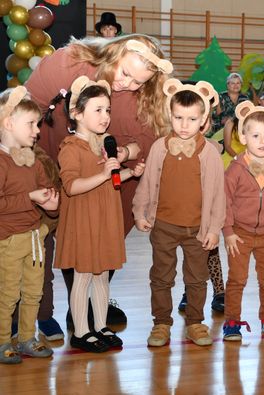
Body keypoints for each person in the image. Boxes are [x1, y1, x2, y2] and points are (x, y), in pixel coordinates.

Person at [25, 34, 173, 326]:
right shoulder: (69, 62)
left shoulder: (147, 99)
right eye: (125, 72)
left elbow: (148, 141)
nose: (126, 84)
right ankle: (42, 311)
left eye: (138, 82)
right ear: (116, 52)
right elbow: (28, 107)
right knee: (52, 237)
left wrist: (126, 151)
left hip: (108, 180)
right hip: (53, 159)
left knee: (102, 237)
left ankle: (89, 307)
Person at [51, 76, 145, 352]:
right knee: (83, 276)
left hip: (104, 218)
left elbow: (110, 179)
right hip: (84, 220)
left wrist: (129, 173)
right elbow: (71, 186)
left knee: (102, 274)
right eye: (98, 110)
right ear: (77, 113)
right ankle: (81, 331)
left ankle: (101, 325)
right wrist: (105, 173)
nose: (105, 117)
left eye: (108, 110)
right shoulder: (71, 148)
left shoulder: (104, 144)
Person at [133, 79, 225, 347]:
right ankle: (161, 322)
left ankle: (195, 322)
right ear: (169, 115)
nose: (184, 125)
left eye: (192, 119)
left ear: (203, 120)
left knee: (197, 279)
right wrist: (139, 211)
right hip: (164, 225)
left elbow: (219, 195)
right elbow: (147, 183)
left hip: (198, 229)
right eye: (178, 118)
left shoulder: (210, 153)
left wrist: (214, 229)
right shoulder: (159, 148)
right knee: (161, 277)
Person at [222, 101, 264, 341]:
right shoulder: (235, 169)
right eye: (256, 136)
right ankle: (232, 321)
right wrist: (228, 231)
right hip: (239, 234)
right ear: (243, 137)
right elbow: (224, 201)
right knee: (237, 279)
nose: (263, 141)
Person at [0, 87, 58, 364]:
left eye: (38, 124)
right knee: (8, 294)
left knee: (34, 292)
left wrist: (51, 202)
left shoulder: (33, 161)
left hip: (34, 239)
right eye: (31, 124)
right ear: (8, 123)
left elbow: (46, 193)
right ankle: (2, 341)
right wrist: (30, 198)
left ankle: (26, 338)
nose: (37, 130)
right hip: (8, 241)